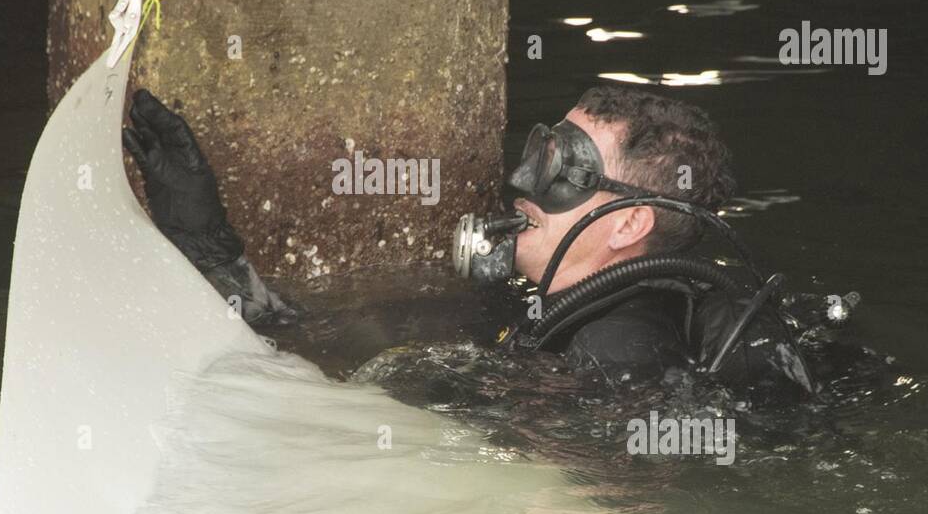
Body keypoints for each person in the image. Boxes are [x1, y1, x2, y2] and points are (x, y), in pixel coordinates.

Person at [122, 85, 811, 394]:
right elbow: (311, 341)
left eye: (565, 171)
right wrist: (206, 243)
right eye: (541, 153)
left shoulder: (624, 352)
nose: (522, 183)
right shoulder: (531, 309)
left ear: (631, 224)